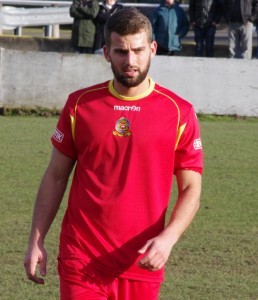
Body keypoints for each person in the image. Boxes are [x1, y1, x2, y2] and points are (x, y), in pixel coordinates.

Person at [24, 8, 203, 300]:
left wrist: (168, 239)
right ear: (107, 53)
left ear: (153, 49)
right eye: (121, 51)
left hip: (142, 260)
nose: (130, 61)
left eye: (138, 50)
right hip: (80, 258)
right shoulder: (80, 104)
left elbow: (191, 188)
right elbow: (56, 177)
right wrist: (36, 240)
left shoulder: (179, 112)